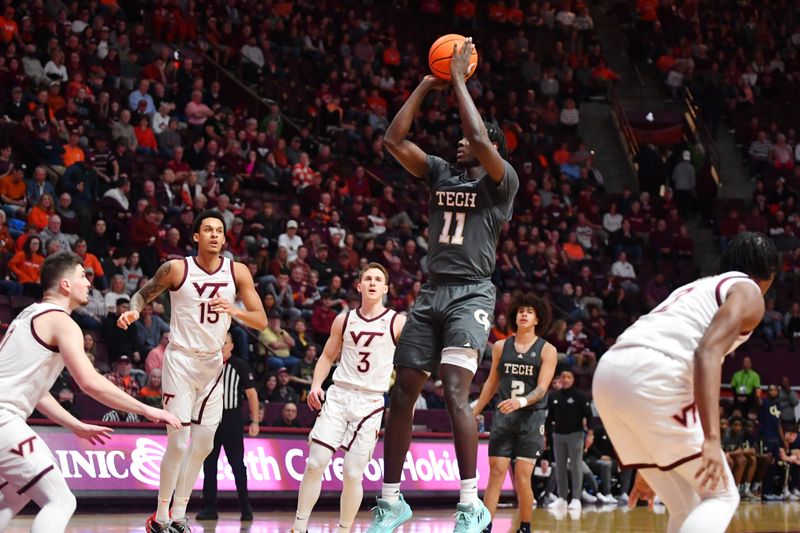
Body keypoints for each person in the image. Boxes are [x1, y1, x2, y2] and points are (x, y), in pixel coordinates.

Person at [367, 38, 518, 532]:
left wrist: (458, 80)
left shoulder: (501, 184)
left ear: (490, 146)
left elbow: (476, 134)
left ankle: (471, 502)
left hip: (472, 293)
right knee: (404, 392)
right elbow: (393, 140)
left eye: (472, 138)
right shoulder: (440, 174)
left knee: (456, 391)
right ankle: (391, 500)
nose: (460, 140)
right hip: (431, 292)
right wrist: (428, 83)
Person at [592, 232, 778, 533]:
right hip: (655, 373)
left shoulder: (697, 287)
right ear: (768, 277)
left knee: (686, 504)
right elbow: (707, 351)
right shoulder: (749, 292)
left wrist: (652, 458)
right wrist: (712, 439)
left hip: (610, 373)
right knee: (721, 495)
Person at [0, 252, 180, 532]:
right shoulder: (61, 321)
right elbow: (89, 382)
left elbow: (38, 392)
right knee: (61, 501)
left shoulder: (29, 314)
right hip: (4, 419)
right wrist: (147, 409)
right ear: (65, 285)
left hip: (6, 418)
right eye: (82, 276)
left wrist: (75, 425)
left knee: (12, 495)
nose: (89, 282)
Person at [117, 210, 267, 533]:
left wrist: (234, 310)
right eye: (208, 230)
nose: (214, 234)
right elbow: (143, 293)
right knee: (179, 442)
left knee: (203, 445)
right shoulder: (177, 268)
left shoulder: (237, 272)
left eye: (219, 230)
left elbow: (262, 320)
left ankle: (179, 514)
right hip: (181, 363)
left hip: (213, 365)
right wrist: (133, 310)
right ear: (196, 236)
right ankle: (160, 517)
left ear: (225, 238)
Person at [293, 263, 405, 533]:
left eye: (378, 279)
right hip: (339, 395)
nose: (373, 283)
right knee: (314, 463)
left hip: (371, 401)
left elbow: (412, 362)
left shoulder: (397, 321)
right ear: (359, 286)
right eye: (367, 278)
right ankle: (299, 527)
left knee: (353, 474)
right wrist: (316, 384)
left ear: (386, 288)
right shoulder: (344, 319)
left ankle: (345, 529)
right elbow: (327, 356)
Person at [471, 293, 557, 533]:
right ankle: (485, 526)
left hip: (531, 418)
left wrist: (521, 402)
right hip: (504, 418)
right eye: (520, 311)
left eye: (529, 311)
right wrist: (474, 411)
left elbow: (541, 389)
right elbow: (491, 384)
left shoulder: (547, 350)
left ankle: (525, 527)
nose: (524, 314)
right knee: (496, 472)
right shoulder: (500, 346)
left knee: (522, 477)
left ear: (537, 319)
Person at [196, 333, 260, 522]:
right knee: (209, 465)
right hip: (210, 419)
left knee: (237, 465)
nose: (221, 346)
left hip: (232, 419)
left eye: (225, 343)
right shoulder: (207, 365)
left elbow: (252, 395)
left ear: (231, 346)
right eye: (219, 343)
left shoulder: (240, 365)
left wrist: (255, 421)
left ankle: (245, 507)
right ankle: (209, 508)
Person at [546, 369, 594, 510]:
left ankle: (576, 498)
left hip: (576, 435)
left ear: (573, 379)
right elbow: (549, 419)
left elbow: (589, 416)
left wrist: (590, 434)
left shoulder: (580, 396)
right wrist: (545, 436)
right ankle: (561, 497)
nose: (565, 379)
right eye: (563, 377)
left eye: (569, 377)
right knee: (559, 467)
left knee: (576, 467)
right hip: (558, 435)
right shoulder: (554, 396)